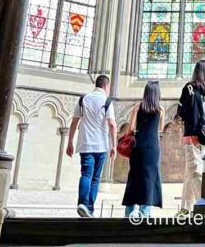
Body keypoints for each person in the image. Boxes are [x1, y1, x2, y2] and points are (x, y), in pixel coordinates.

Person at [66, 74, 117, 218]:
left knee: (86, 174)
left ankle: (83, 205)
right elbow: (112, 125)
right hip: (101, 146)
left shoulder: (83, 99)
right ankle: (88, 207)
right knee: (95, 178)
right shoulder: (107, 101)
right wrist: (114, 145)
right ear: (106, 86)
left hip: (85, 144)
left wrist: (70, 142)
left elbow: (74, 122)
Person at [176, 60, 205, 216]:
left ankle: (204, 208)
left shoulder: (189, 87)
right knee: (190, 172)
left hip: (191, 134)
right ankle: (186, 208)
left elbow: (181, 111)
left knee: (195, 172)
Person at [122, 80, 164, 219]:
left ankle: (129, 211)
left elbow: (131, 128)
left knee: (134, 176)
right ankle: (145, 212)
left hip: (138, 146)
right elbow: (160, 129)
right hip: (152, 147)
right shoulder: (160, 110)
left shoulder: (137, 107)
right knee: (149, 178)